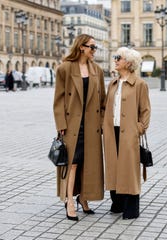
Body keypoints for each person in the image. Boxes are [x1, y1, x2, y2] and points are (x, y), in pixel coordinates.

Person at [53, 34, 105, 221]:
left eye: (95, 47)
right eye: (92, 47)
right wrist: (61, 125)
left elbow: (102, 101)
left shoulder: (97, 70)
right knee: (72, 164)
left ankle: (84, 198)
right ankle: (69, 201)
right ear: (81, 47)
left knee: (88, 164)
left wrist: (100, 123)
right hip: (71, 126)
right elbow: (58, 100)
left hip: (91, 126)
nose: (94, 50)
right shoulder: (65, 69)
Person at [102, 47, 151, 220]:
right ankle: (117, 204)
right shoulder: (113, 83)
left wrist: (139, 128)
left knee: (129, 170)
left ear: (128, 63)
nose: (115, 60)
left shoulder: (140, 84)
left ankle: (131, 209)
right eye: (115, 57)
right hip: (111, 132)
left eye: (118, 57)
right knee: (114, 168)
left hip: (129, 133)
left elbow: (145, 110)